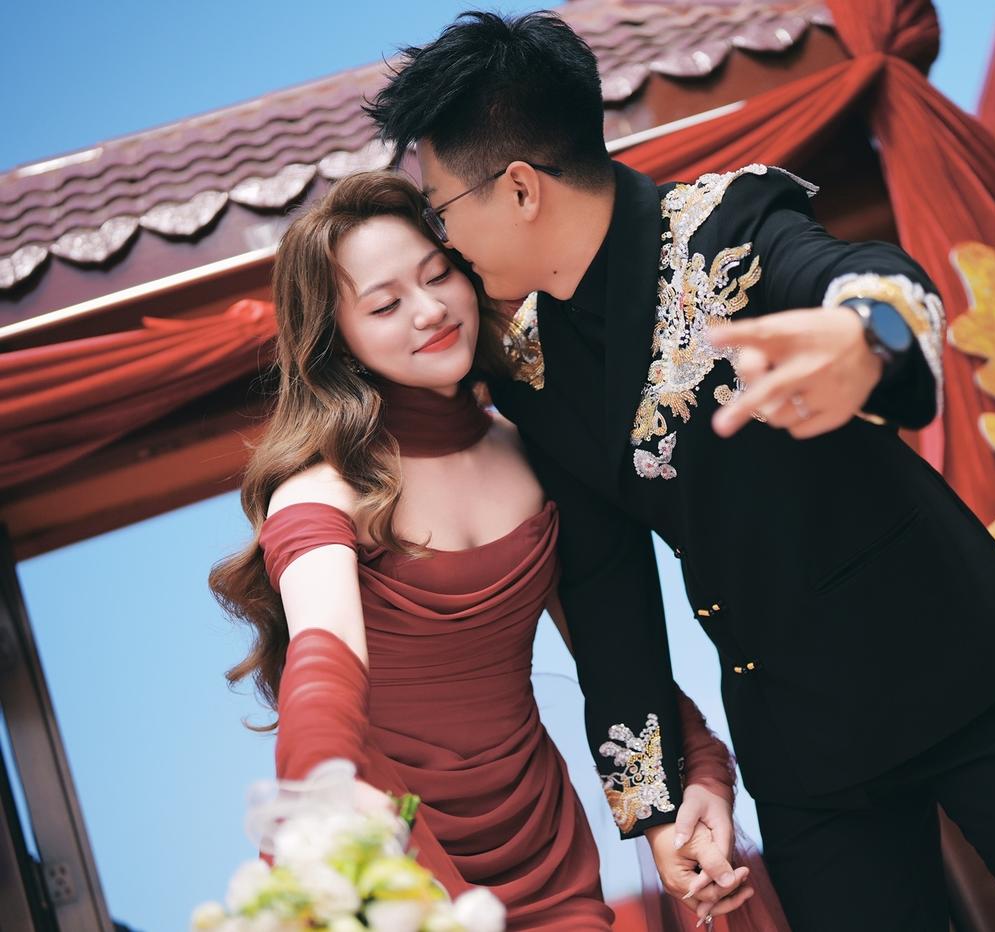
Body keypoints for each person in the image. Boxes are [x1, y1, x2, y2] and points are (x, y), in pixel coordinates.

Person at [364, 10, 995, 931]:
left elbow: (857, 273)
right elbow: (605, 593)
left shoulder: (726, 223)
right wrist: (658, 804)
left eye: (442, 211)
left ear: (520, 188)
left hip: (960, 672)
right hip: (802, 748)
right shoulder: (533, 371)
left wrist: (866, 338)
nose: (445, 243)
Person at [208, 171, 786, 928]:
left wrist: (699, 769)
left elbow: (613, 657)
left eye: (436, 275)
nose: (429, 311)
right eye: (384, 305)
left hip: (540, 835)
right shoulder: (321, 492)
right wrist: (326, 794)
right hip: (386, 839)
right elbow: (323, 666)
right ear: (336, 342)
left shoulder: (536, 453)